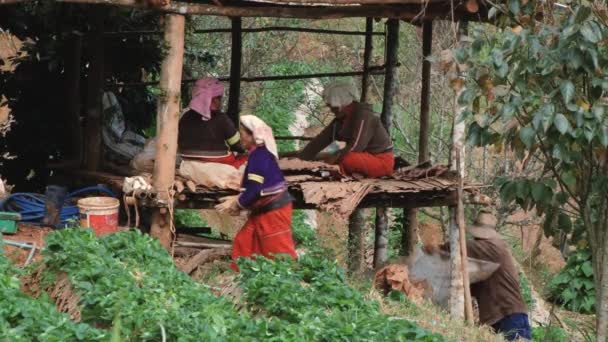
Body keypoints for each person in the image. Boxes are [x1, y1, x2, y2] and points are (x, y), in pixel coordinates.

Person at [429, 210, 531, 341]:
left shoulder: (493, 246)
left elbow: (458, 248)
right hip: (500, 318)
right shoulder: (487, 255)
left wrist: (434, 250)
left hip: (509, 316)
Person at [215, 115, 297, 272]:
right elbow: (253, 187)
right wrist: (237, 198)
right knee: (243, 242)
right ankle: (244, 277)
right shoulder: (257, 154)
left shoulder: (260, 156)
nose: (240, 137)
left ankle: (290, 283)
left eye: (243, 133)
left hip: (274, 211)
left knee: (280, 253)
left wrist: (236, 203)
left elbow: (254, 190)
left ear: (253, 135)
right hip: (264, 209)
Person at [298, 81, 394, 178]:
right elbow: (321, 140)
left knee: (346, 158)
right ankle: (331, 171)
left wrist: (328, 163)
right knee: (331, 151)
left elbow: (355, 147)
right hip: (359, 157)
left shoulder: (363, 115)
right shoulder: (340, 119)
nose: (331, 109)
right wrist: (302, 159)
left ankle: (330, 171)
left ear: (342, 102)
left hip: (380, 161)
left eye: (333, 106)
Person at [178, 77, 246, 169]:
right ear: (213, 99)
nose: (220, 102)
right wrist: (245, 149)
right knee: (247, 158)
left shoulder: (185, 117)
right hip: (219, 162)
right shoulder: (222, 119)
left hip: (187, 159)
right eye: (219, 98)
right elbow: (237, 146)